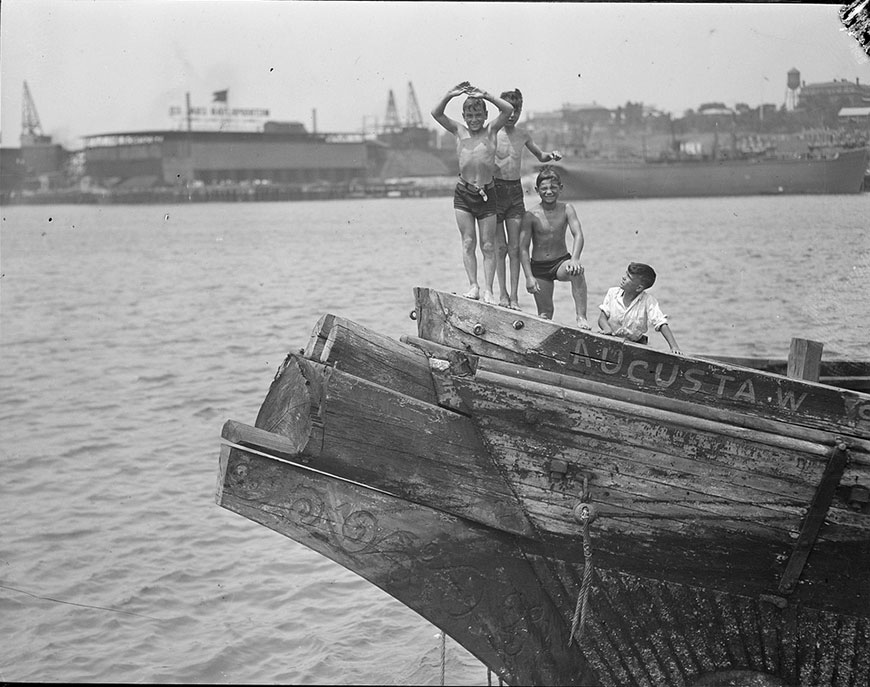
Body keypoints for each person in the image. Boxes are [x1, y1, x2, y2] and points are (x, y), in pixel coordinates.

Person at [431, 82, 514, 303]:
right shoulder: (459, 131)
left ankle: (488, 289)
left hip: (487, 194)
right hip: (464, 194)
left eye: (478, 114)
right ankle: (473, 286)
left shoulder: (492, 130)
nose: (474, 119)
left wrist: (486, 94)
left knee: (488, 245)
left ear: (486, 114)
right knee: (468, 242)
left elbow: (507, 110)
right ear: (464, 116)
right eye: (470, 114)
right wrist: (450, 94)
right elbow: (436, 113)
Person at [493, 89, 562, 310]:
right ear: (500, 109)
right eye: (508, 110)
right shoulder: (491, 132)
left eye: (517, 110)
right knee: (499, 248)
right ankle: (502, 294)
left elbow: (540, 155)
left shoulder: (522, 134)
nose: (512, 115)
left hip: (514, 191)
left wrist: (551, 155)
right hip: (495, 190)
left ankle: (514, 297)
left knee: (515, 247)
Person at [519, 166, 589, 329]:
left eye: (553, 187)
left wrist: (575, 259)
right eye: (544, 188)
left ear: (560, 188)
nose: (549, 191)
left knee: (577, 271)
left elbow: (578, 234)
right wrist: (529, 277)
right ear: (537, 190)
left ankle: (581, 317)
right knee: (545, 314)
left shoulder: (567, 209)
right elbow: (523, 248)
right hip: (539, 268)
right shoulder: (531, 215)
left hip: (561, 263)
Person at [598, 262, 682, 354]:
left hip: (635, 346)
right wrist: (607, 329)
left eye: (629, 277)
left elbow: (661, 323)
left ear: (638, 288)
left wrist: (674, 346)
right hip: (611, 340)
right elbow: (602, 318)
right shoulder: (612, 293)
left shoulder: (648, 301)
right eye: (626, 274)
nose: (624, 277)